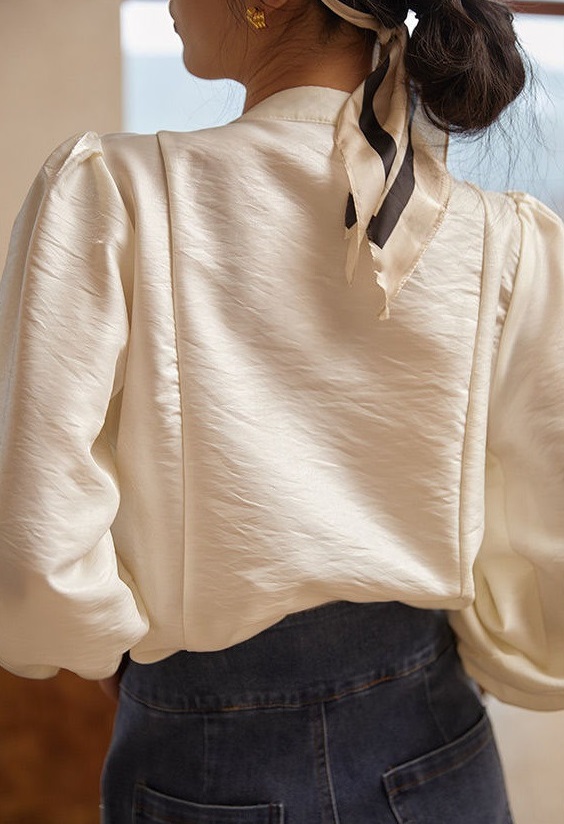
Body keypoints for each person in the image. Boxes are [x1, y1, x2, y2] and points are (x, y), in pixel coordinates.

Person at [0, 0, 563, 821]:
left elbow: (38, 544)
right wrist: (472, 661)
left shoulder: (115, 196)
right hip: (433, 740)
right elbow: (546, 532)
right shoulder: (502, 238)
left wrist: (127, 654)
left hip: (199, 756)